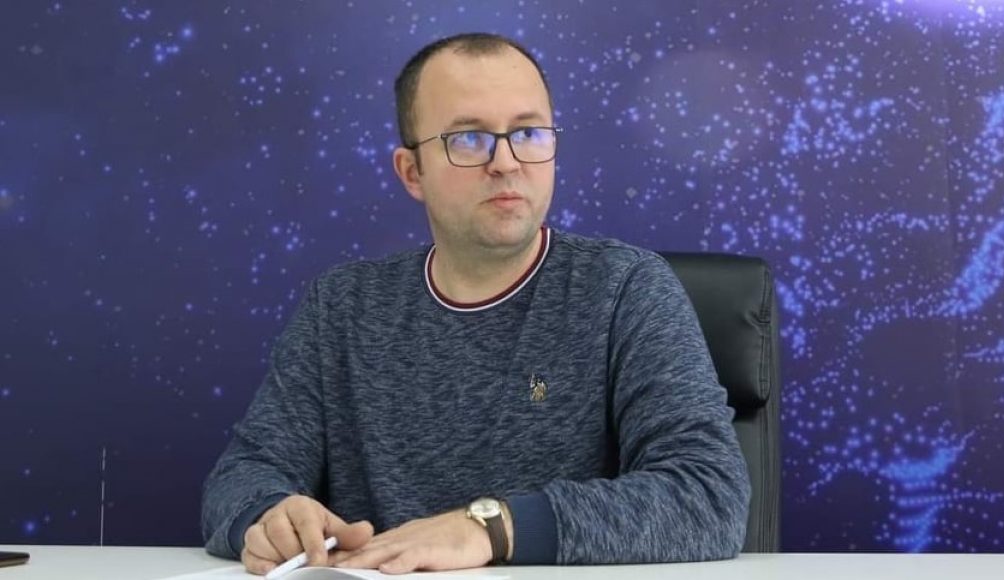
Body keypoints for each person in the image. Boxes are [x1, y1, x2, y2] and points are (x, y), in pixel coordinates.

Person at [201, 32, 750, 575]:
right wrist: (268, 517)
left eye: (528, 133)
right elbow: (242, 475)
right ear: (412, 172)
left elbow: (708, 495)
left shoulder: (625, 289)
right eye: (468, 139)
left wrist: (490, 528)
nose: (506, 162)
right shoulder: (341, 307)